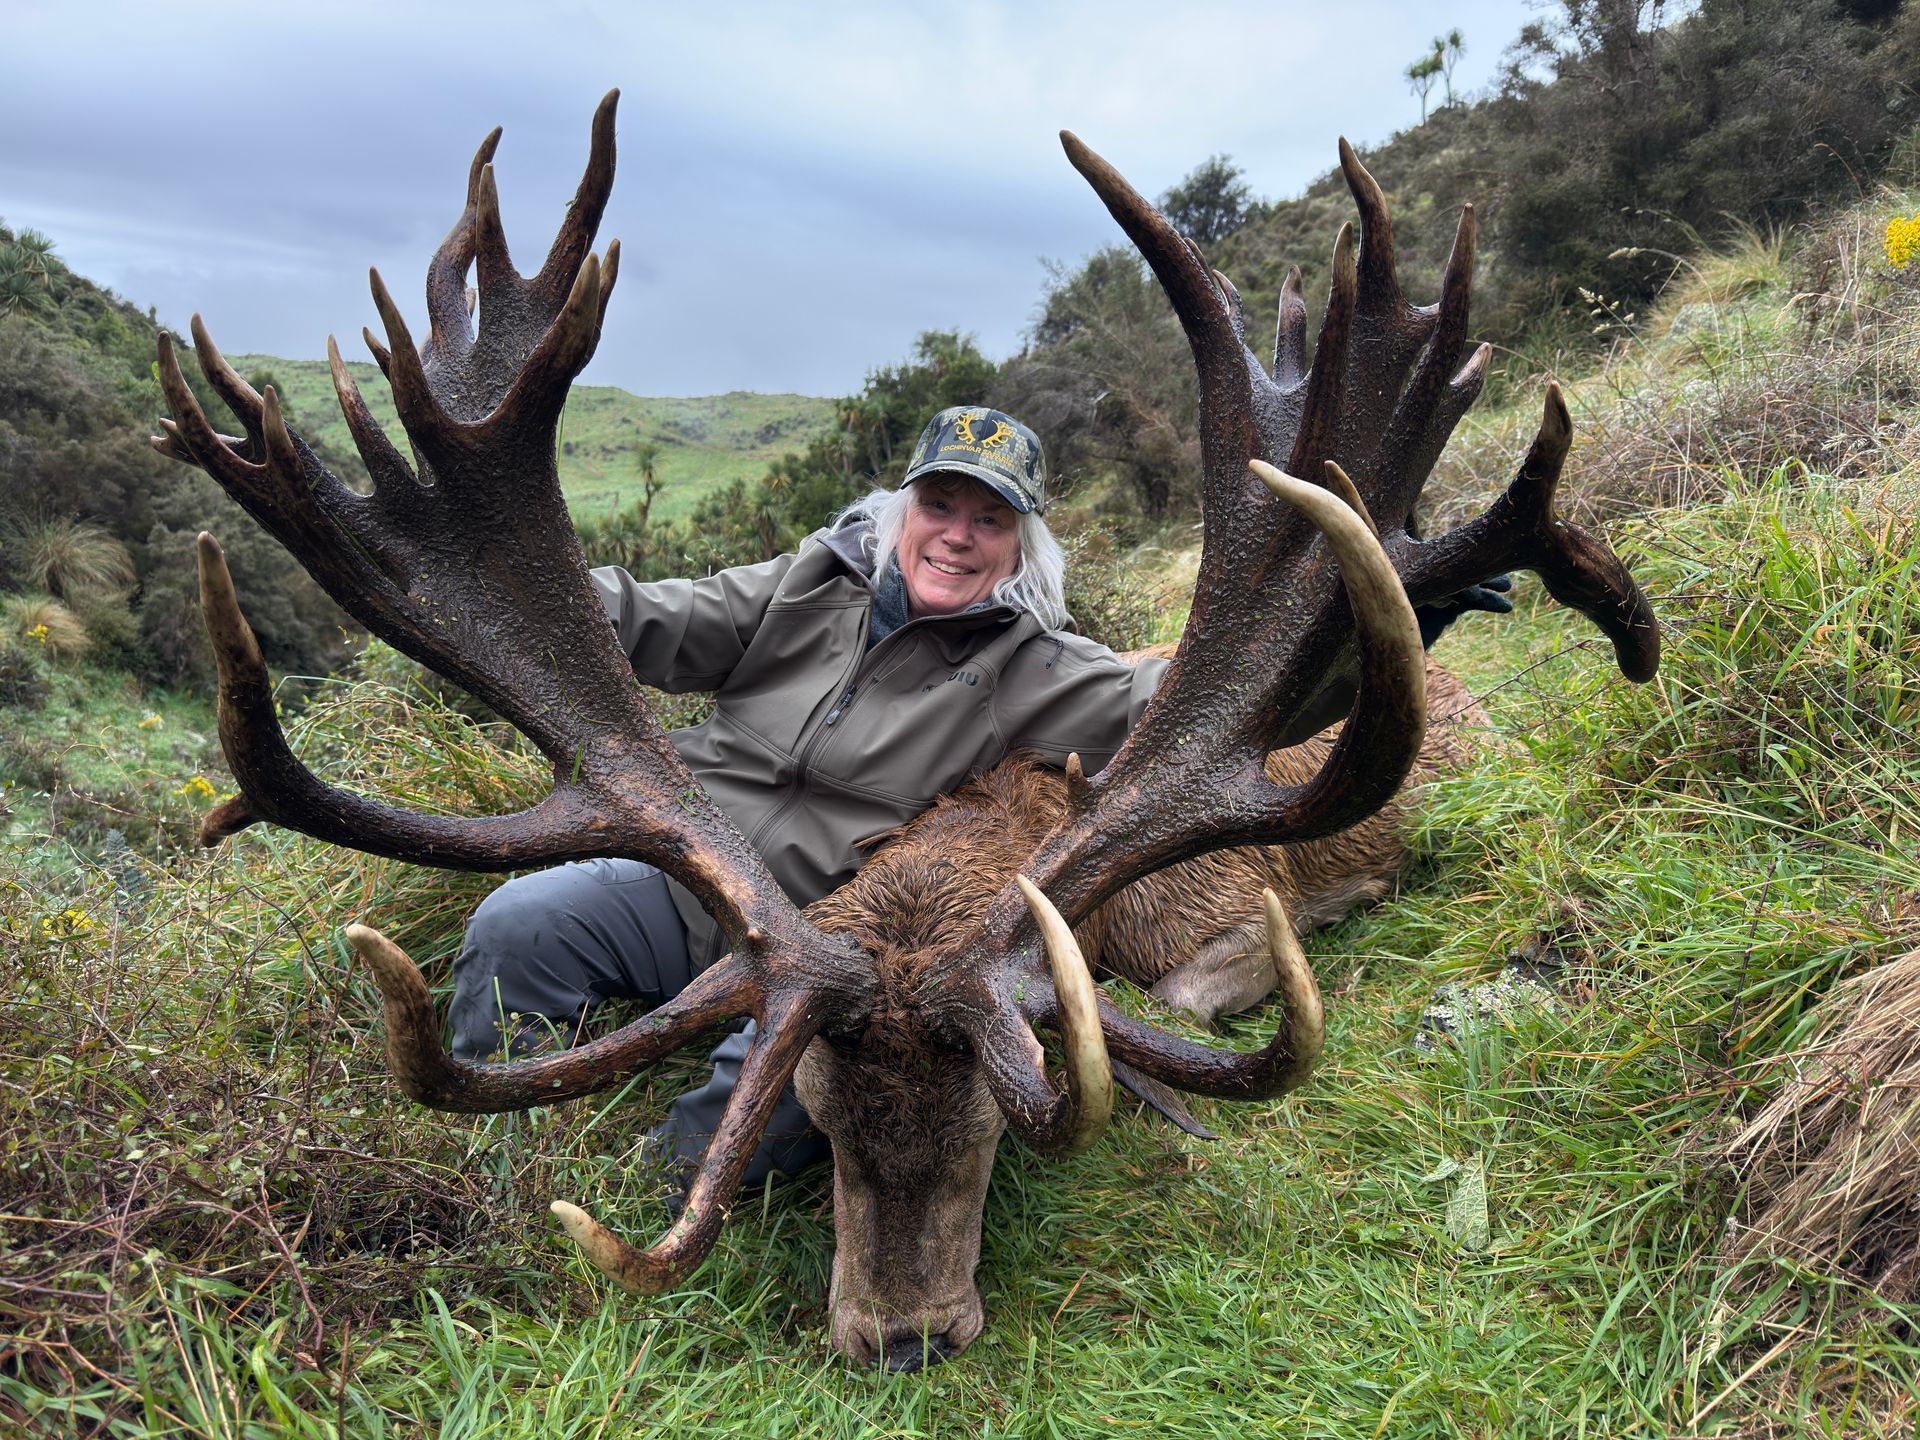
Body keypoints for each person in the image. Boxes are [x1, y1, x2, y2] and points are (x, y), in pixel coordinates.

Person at [446, 404, 1511, 1191]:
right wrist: (507, 570)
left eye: (989, 519)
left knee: (777, 1093)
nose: (957, 534)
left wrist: (1380, 630)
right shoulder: (804, 585)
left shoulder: (1029, 664)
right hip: (679, 874)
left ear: (1020, 544)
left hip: (817, 931)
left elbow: (1199, 703)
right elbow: (642, 621)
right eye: (941, 504)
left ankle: (646, 1191)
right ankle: (505, 1160)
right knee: (519, 930)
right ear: (903, 510)